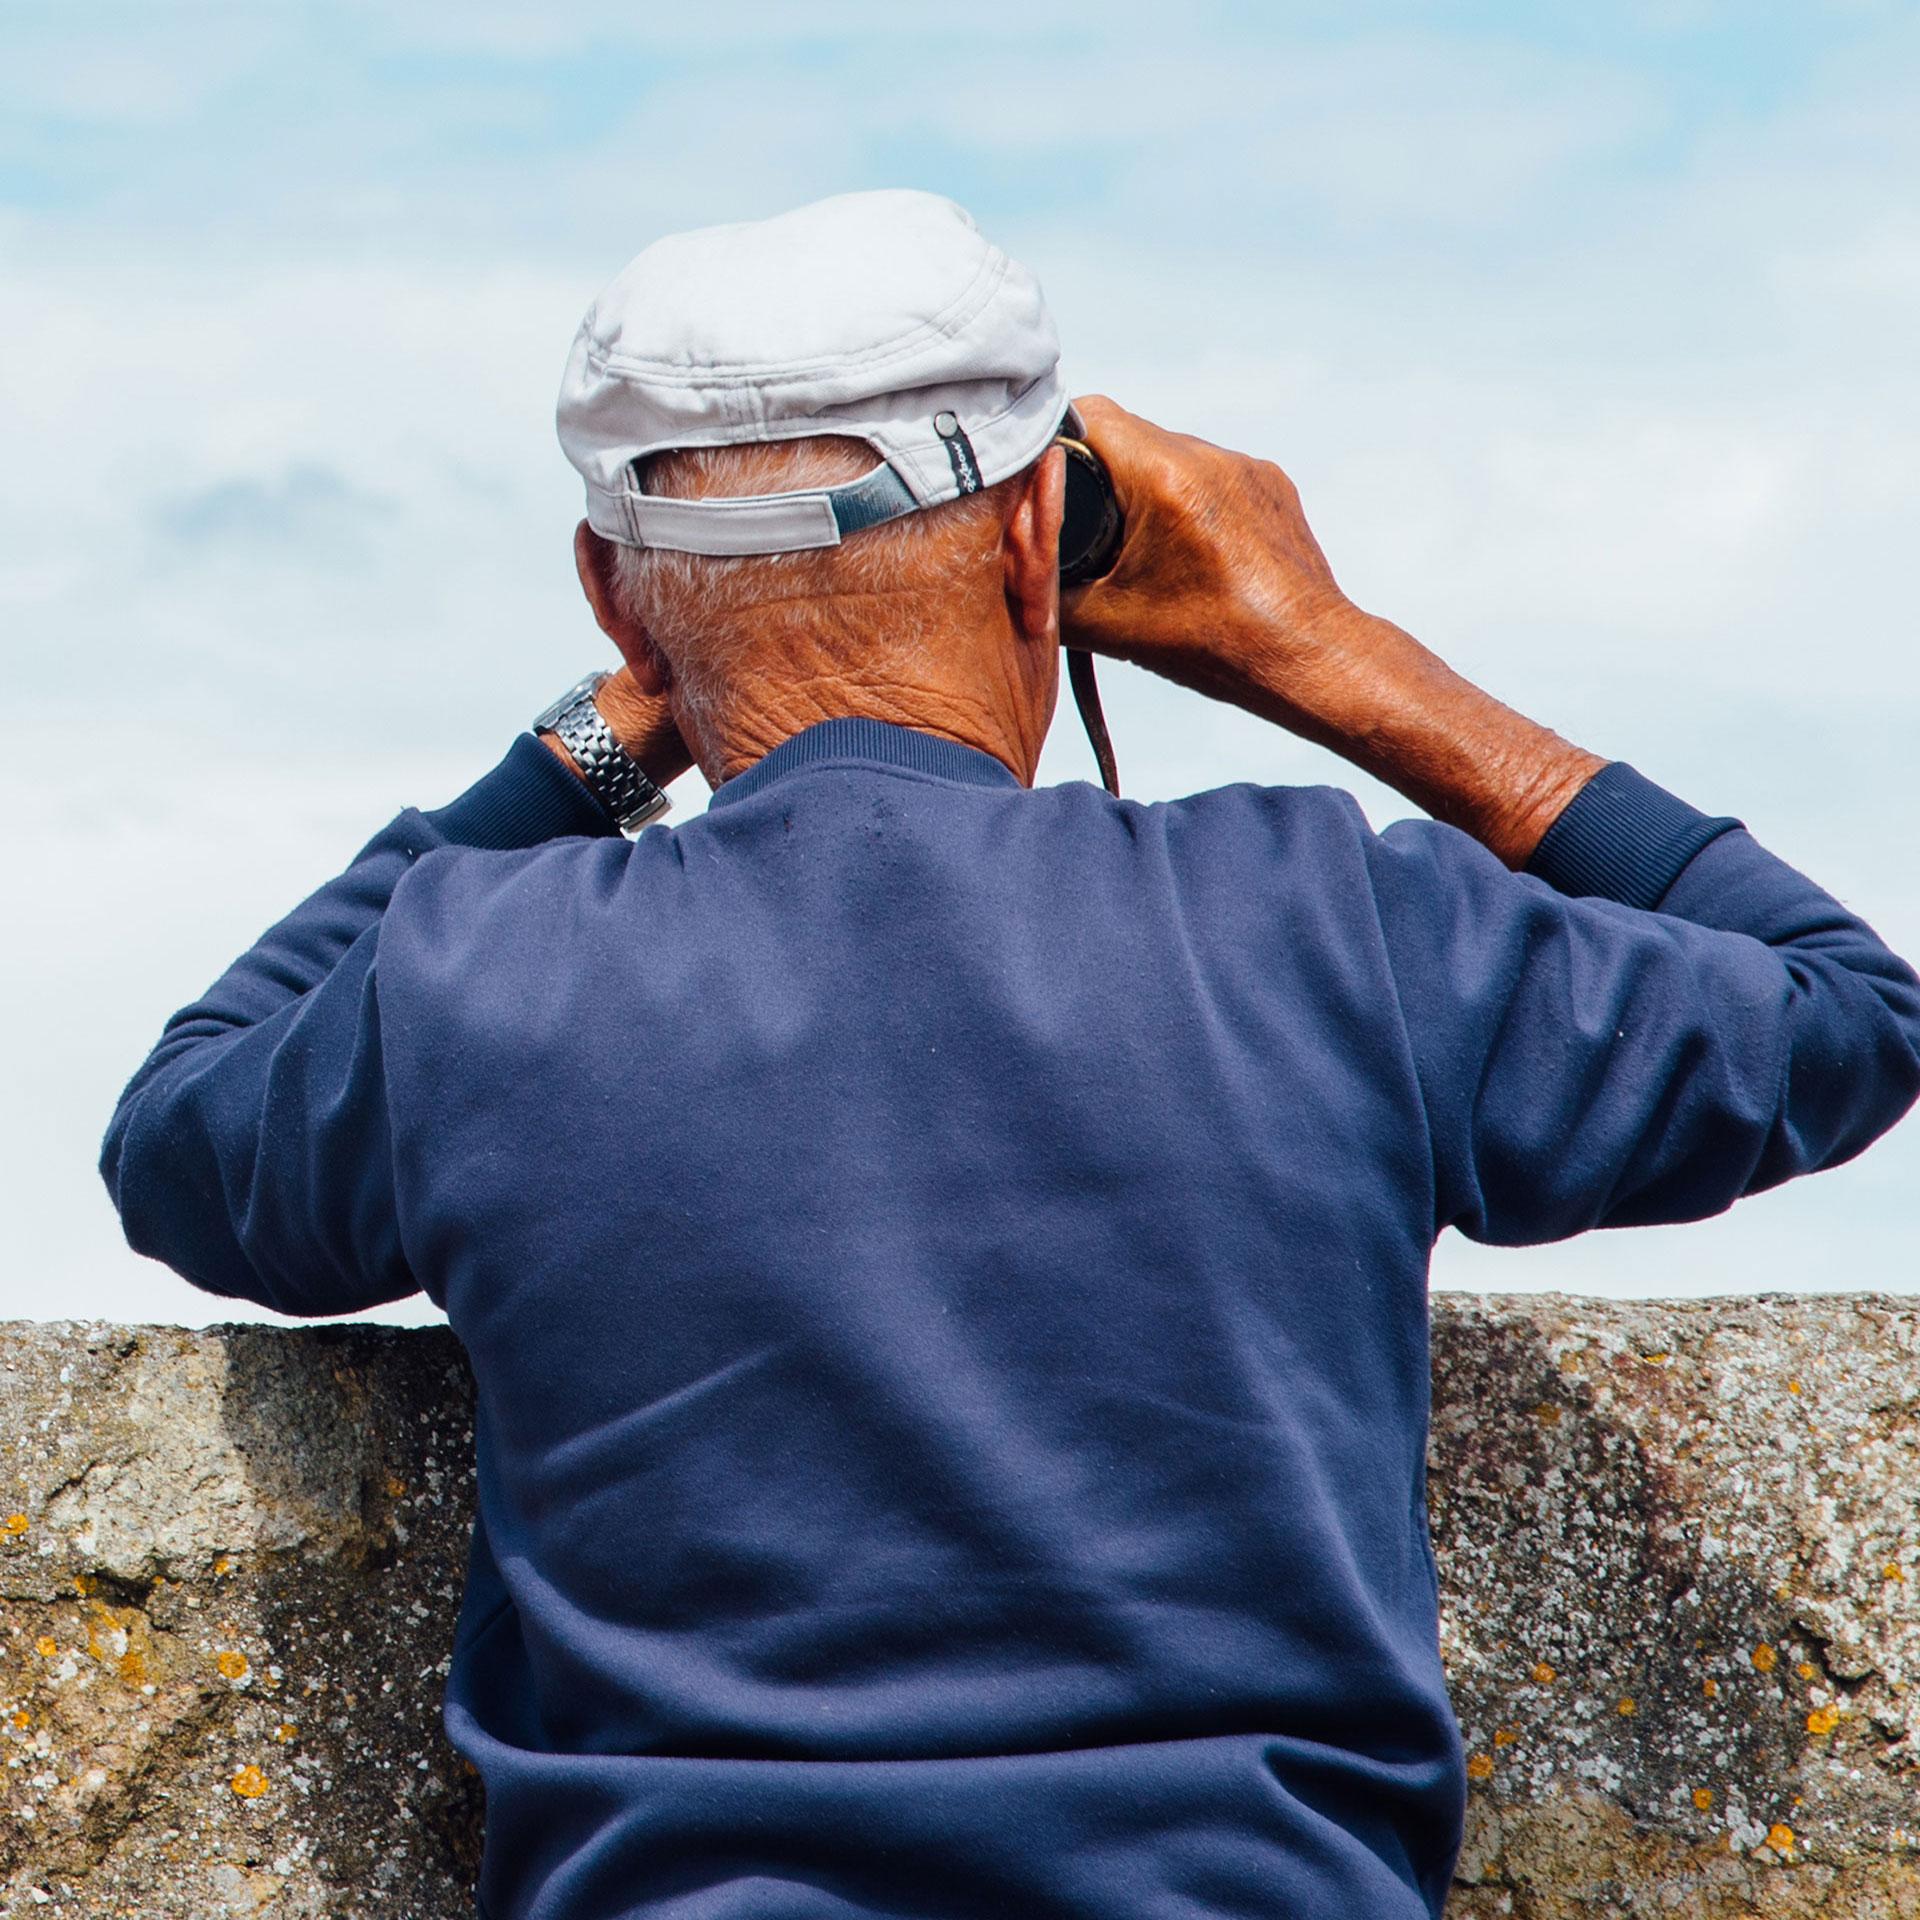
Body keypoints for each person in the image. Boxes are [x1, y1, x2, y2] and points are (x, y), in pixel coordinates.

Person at [100, 191, 1920, 1920]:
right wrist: (1326, 650)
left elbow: (183, 1130)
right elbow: (1842, 1010)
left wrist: (590, 749)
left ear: (608, 590)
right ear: (1048, 536)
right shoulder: (1323, 923)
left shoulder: (471, 975)